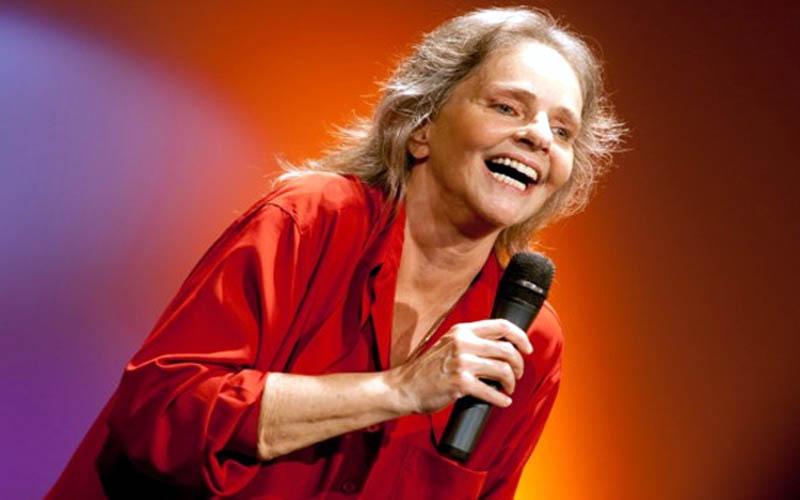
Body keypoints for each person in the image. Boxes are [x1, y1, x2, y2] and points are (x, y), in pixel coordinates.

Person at [48, 6, 623, 499]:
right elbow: (159, 414)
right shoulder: (310, 219)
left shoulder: (529, 342)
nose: (538, 136)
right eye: (507, 107)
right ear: (419, 128)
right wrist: (398, 391)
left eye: (563, 131)